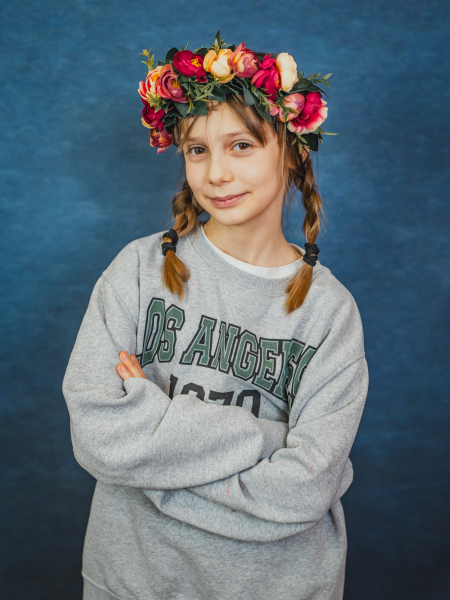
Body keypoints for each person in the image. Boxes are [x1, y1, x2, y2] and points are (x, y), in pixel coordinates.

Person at [62, 33, 369, 600]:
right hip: (132, 581)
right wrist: (269, 440)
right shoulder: (139, 269)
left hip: (277, 586)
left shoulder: (329, 312)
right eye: (198, 150)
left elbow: (303, 490)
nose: (217, 174)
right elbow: (99, 437)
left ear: (292, 150)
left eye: (241, 146)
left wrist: (154, 434)